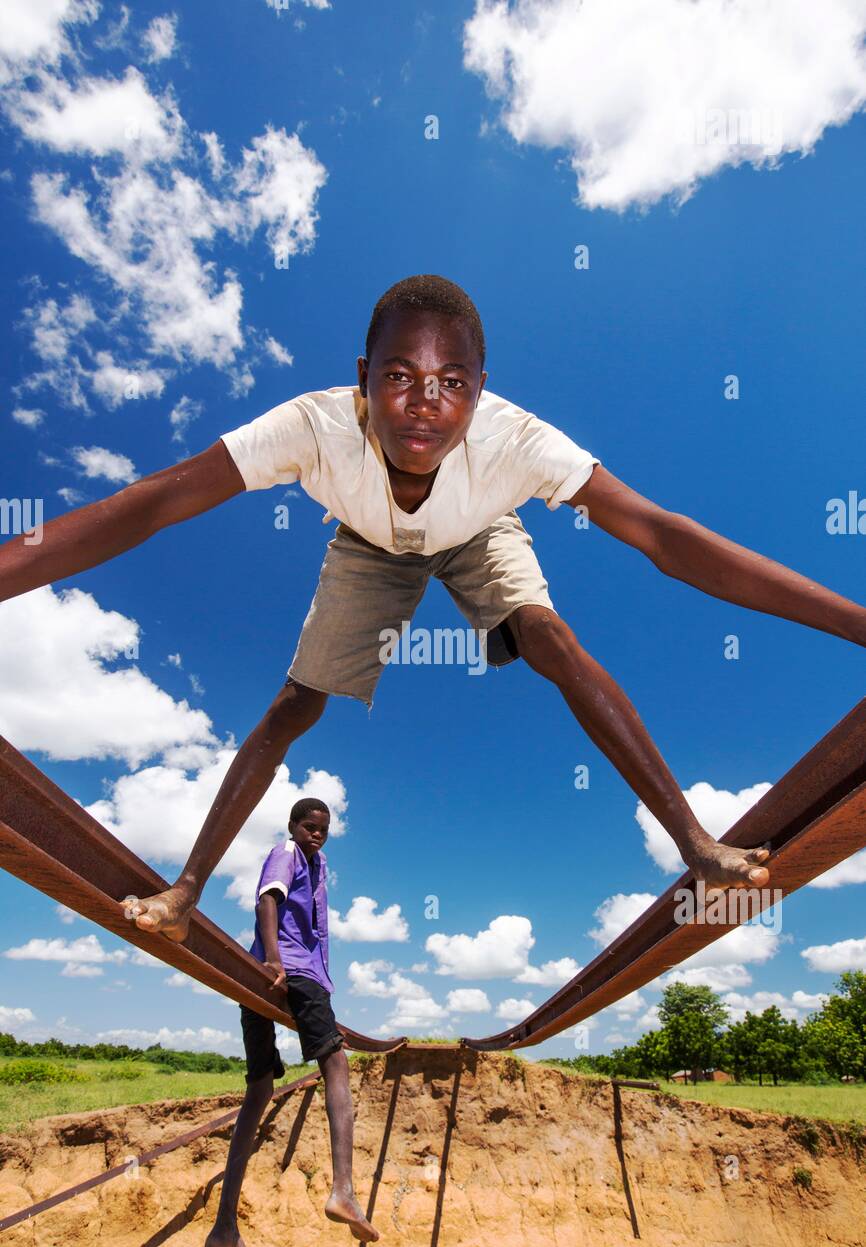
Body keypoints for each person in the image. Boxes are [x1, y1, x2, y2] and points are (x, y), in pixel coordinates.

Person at [3, 274, 866, 943]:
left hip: (479, 531)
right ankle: (186, 890)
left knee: (547, 634)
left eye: (453, 382)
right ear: (363, 380)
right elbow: (150, 503)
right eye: (401, 377)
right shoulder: (312, 427)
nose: (425, 403)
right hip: (367, 547)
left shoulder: (518, 444)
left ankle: (696, 843)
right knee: (293, 706)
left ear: (481, 390)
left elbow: (667, 539)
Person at [205, 797, 378, 1247]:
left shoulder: (317, 865)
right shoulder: (286, 852)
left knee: (260, 1086)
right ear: (293, 826)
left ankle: (223, 1229)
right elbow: (268, 898)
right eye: (308, 826)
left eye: (322, 829)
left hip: (279, 972)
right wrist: (275, 960)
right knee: (336, 1063)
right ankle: (343, 1190)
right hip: (291, 971)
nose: (315, 834)